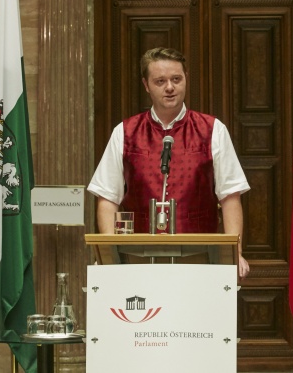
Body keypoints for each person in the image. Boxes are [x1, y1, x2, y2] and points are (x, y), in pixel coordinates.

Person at [87, 47, 251, 278]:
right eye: (160, 81)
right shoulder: (125, 132)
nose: (170, 87)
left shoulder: (213, 129)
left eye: (176, 79)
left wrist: (236, 253)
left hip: (200, 259)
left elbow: (230, 195)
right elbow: (107, 198)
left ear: (186, 79)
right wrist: (108, 255)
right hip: (137, 260)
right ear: (146, 85)